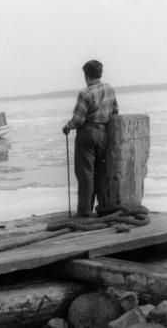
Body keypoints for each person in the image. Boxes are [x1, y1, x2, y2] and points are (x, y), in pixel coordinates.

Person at [62, 60, 118, 217]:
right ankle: (104, 208)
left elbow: (78, 120)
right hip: (104, 134)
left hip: (87, 134)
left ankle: (85, 212)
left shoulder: (85, 93)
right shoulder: (110, 89)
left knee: (85, 173)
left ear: (86, 75)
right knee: (101, 172)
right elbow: (115, 111)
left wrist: (67, 126)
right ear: (100, 73)